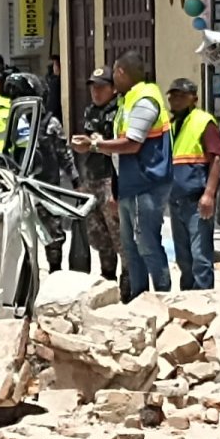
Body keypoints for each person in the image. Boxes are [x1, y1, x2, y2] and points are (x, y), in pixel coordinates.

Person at [71, 51, 173, 296]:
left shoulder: (145, 99)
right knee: (131, 247)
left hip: (146, 183)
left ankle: (163, 296)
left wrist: (94, 145)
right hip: (128, 184)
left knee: (146, 244)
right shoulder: (128, 101)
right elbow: (119, 152)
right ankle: (138, 297)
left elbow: (133, 143)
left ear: (120, 72)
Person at [5, 72, 74, 271]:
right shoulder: (13, 122)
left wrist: (76, 179)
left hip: (45, 187)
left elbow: (64, 153)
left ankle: (55, 270)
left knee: (53, 234)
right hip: (17, 186)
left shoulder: (50, 123)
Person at [166, 78, 220, 291]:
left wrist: (209, 194)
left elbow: (216, 158)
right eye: (173, 96)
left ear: (194, 98)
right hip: (175, 200)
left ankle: (203, 298)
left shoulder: (203, 121)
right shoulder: (172, 126)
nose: (176, 100)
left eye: (182, 96)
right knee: (184, 258)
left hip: (196, 199)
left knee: (200, 256)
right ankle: (187, 298)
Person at [79, 67, 125, 296]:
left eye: (101, 87)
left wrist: (99, 143)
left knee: (119, 234)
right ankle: (108, 279)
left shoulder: (120, 112)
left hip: (111, 178)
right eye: (93, 87)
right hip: (92, 178)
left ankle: (129, 283)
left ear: (113, 89)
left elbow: (122, 146)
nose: (96, 92)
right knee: (98, 235)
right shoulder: (90, 112)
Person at [45, 55, 63, 123]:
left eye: (54, 65)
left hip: (55, 116)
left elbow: (53, 103)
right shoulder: (52, 80)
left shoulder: (55, 82)